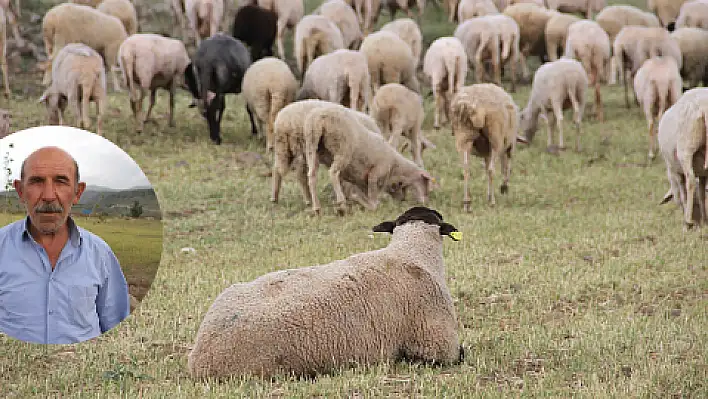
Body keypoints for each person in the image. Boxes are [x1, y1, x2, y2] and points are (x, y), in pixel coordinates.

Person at [0, 146, 131, 344]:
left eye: (61, 182)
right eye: (36, 182)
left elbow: (116, 327)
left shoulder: (100, 254)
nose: (49, 196)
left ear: (78, 192)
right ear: (20, 190)